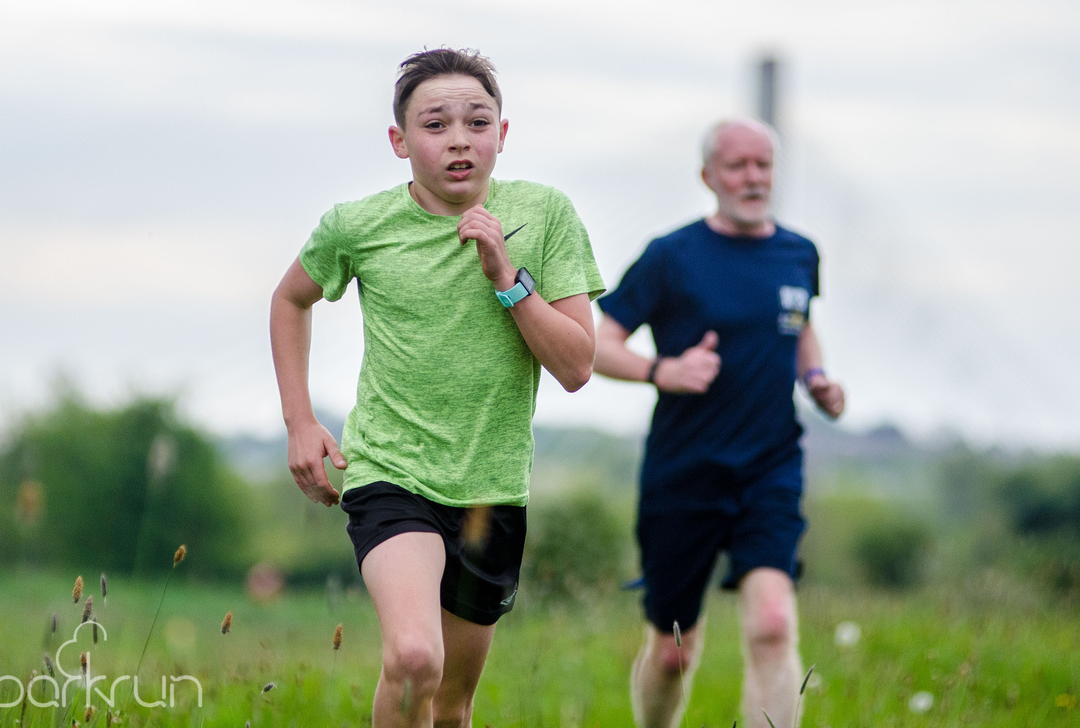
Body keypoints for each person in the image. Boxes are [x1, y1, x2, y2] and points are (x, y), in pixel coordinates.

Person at [270, 48, 604, 728]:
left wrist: (507, 278)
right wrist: (299, 421)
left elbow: (576, 367)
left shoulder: (544, 216)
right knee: (416, 657)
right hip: (391, 472)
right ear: (400, 141)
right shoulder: (357, 226)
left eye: (478, 122)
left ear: (502, 135)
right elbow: (290, 300)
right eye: (435, 124)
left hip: (491, 488)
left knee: (450, 702)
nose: (459, 139)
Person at [593, 118, 845, 728]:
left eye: (763, 165)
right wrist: (663, 370)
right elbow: (597, 345)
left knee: (772, 625)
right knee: (674, 651)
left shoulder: (799, 252)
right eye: (738, 165)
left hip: (770, 465)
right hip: (685, 472)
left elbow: (798, 322)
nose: (753, 177)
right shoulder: (670, 257)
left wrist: (815, 380)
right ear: (709, 176)